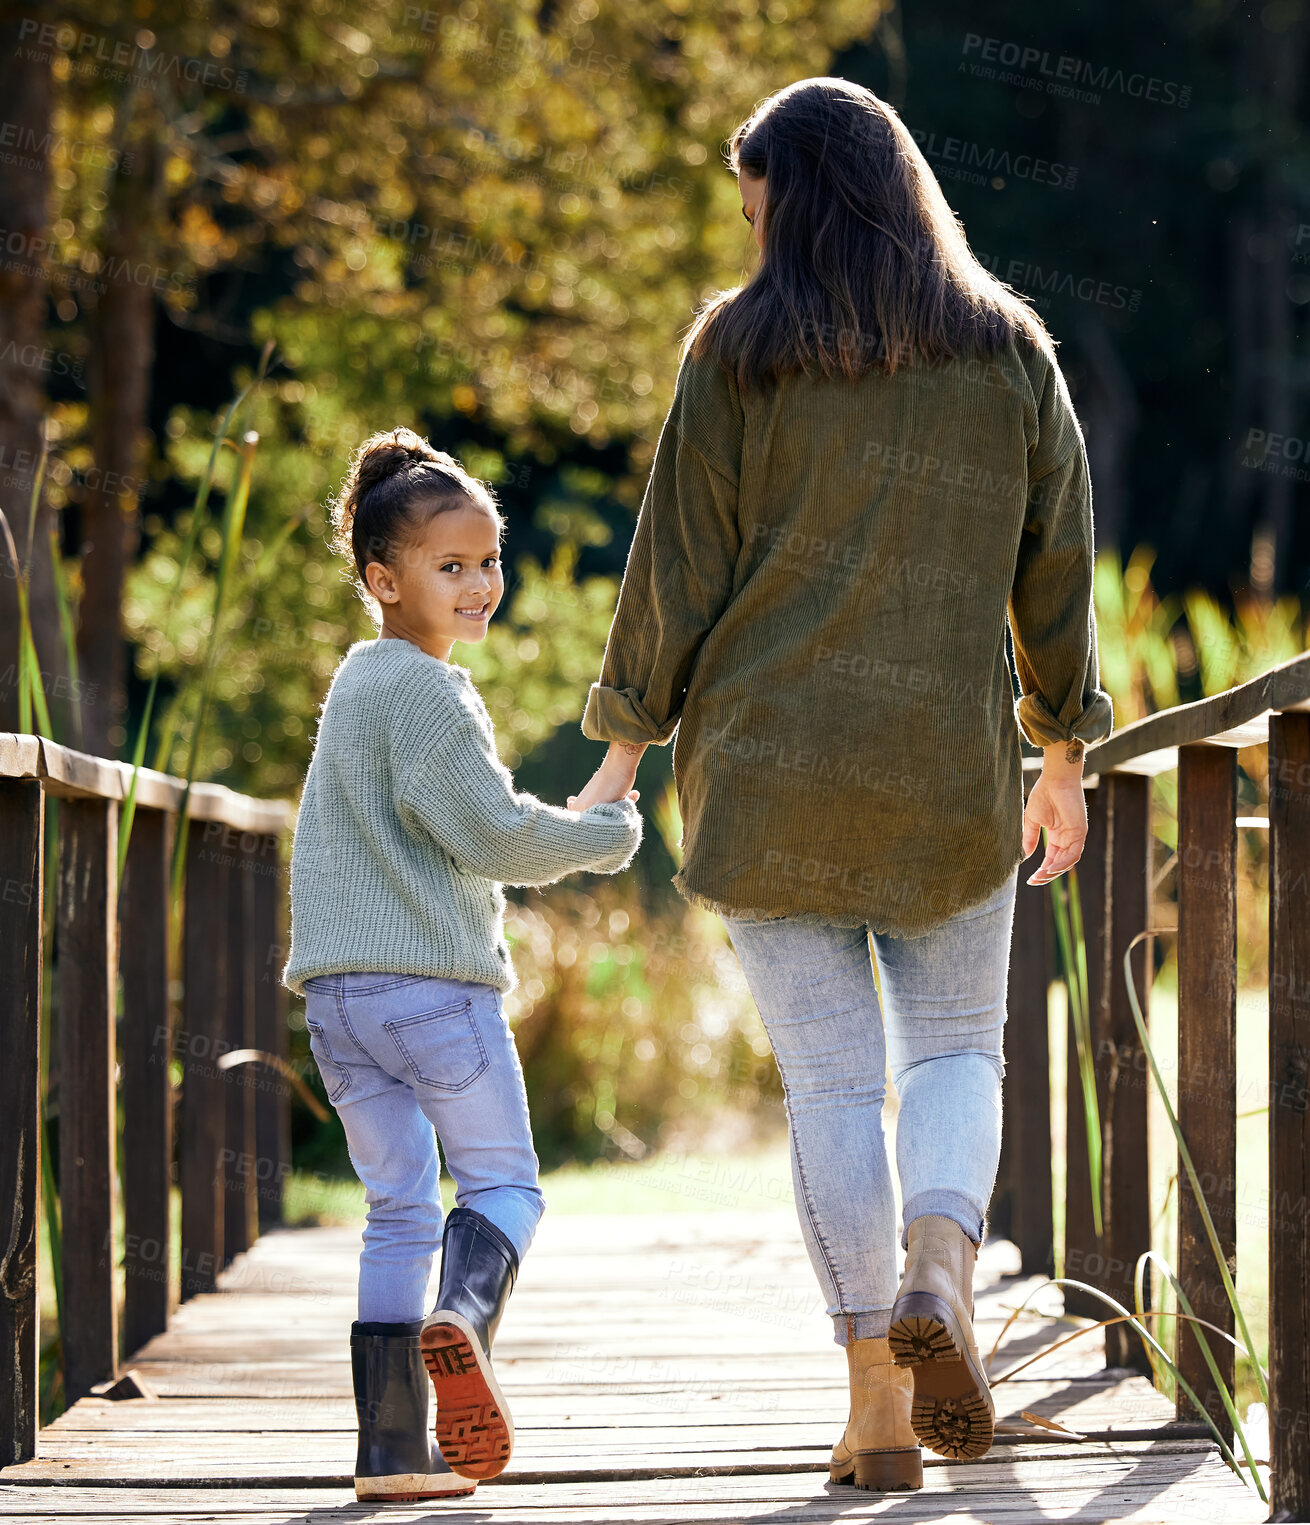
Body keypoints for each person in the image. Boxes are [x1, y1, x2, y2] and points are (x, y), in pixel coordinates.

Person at [570, 78, 1113, 1493]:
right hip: (943, 774)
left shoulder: (737, 354)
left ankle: (876, 1398)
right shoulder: (1008, 352)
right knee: (952, 1052)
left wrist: (622, 747)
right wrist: (1060, 750)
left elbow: (674, 560)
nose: (754, 242)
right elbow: (1054, 570)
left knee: (828, 1085)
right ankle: (943, 1255)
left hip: (765, 775)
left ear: (797, 206)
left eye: (759, 213)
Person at [283, 429, 642, 1503]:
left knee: (396, 1210)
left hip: (339, 1006)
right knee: (502, 1185)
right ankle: (465, 1318)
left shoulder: (353, 684)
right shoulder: (431, 694)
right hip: (432, 994)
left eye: (488, 560)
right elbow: (489, 836)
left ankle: (391, 1450)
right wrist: (601, 834)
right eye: (452, 567)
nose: (479, 583)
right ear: (381, 580)